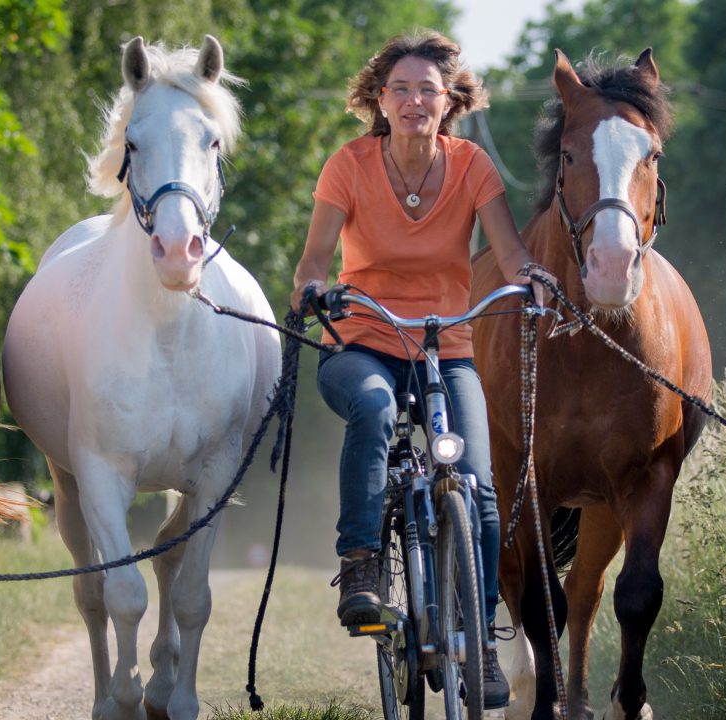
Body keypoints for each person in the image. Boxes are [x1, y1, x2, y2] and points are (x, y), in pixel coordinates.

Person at [290, 31, 552, 711]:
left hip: (446, 349)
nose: (413, 101)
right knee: (374, 409)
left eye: (426, 91)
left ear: (449, 100)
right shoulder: (347, 166)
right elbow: (313, 262)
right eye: (400, 90)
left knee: (479, 486)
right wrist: (315, 287)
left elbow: (512, 253)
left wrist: (533, 281)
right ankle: (361, 568)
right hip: (362, 343)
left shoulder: (473, 169)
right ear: (382, 100)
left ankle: (484, 645)